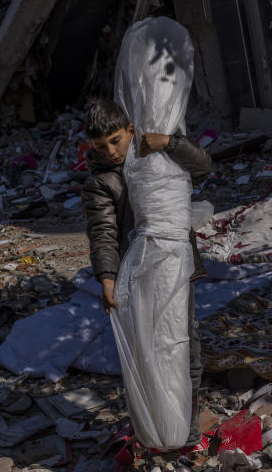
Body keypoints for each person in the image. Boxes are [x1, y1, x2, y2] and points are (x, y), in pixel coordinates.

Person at [81, 98, 212, 447]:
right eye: (99, 146)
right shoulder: (101, 182)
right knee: (147, 352)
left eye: (115, 141)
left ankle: (187, 432)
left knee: (185, 348)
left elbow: (202, 168)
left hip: (174, 268)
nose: (110, 151)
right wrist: (107, 278)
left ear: (130, 131)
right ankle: (157, 426)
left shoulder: (155, 156)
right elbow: (104, 233)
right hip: (135, 276)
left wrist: (169, 143)